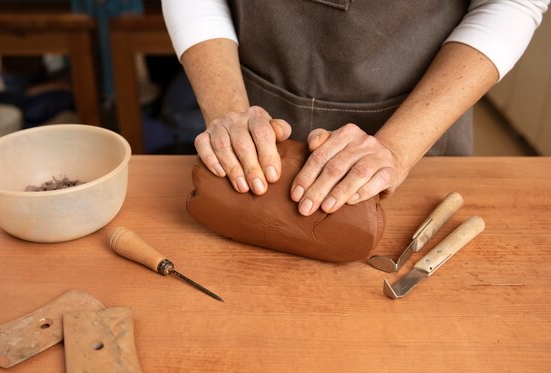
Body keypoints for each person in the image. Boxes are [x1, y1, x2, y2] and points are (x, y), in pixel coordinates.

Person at [162, 0, 548, 216]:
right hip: (253, 100)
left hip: (421, 127)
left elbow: (510, 2)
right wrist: (226, 106)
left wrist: (397, 147)